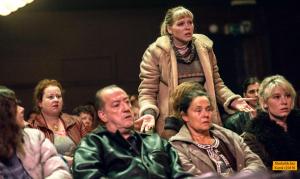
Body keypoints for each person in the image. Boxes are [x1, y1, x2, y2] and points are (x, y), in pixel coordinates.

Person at [138, 6, 253, 137]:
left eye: (190, 22)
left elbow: (216, 84)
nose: (187, 27)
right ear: (169, 29)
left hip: (203, 118)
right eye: (181, 24)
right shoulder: (156, 52)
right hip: (174, 122)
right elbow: (147, 91)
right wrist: (149, 113)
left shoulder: (205, 49)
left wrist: (232, 100)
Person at [72, 85, 193, 178]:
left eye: (127, 102)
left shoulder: (155, 141)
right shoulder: (92, 144)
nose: (126, 108)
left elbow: (180, 174)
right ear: (103, 115)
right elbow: (88, 175)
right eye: (116, 105)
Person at [169, 85, 266, 177]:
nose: (205, 114)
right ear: (184, 116)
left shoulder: (228, 135)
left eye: (208, 109)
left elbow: (258, 163)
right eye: (198, 110)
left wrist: (243, 176)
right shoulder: (177, 147)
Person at [0, 86, 71, 179]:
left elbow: (60, 171)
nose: (22, 109)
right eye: (14, 106)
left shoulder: (35, 137)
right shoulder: (34, 126)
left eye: (59, 96)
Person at [241, 75, 300, 170]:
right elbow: (271, 166)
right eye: (277, 97)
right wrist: (296, 166)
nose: (284, 101)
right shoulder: (253, 136)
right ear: (264, 102)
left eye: (288, 96)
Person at [28, 79, 86, 167]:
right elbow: (34, 159)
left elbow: (89, 150)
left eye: (58, 96)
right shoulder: (32, 127)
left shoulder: (77, 122)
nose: (56, 100)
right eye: (50, 97)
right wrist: (63, 160)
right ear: (40, 103)